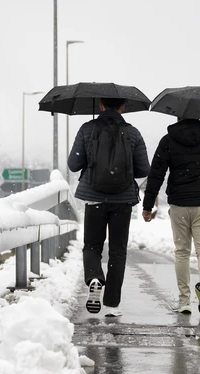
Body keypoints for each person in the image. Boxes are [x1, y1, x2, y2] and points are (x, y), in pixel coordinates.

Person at [69, 98, 150, 317]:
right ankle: (112, 304)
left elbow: (73, 164)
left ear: (101, 106)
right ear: (123, 107)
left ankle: (95, 277)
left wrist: (93, 160)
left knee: (92, 246)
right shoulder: (133, 133)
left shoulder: (87, 129)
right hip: (122, 200)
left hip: (94, 198)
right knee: (117, 251)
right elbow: (143, 169)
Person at [142, 117, 200, 317]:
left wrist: (148, 205)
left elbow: (156, 174)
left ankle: (184, 300)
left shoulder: (168, 140)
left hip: (179, 204)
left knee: (182, 251)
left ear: (178, 116)